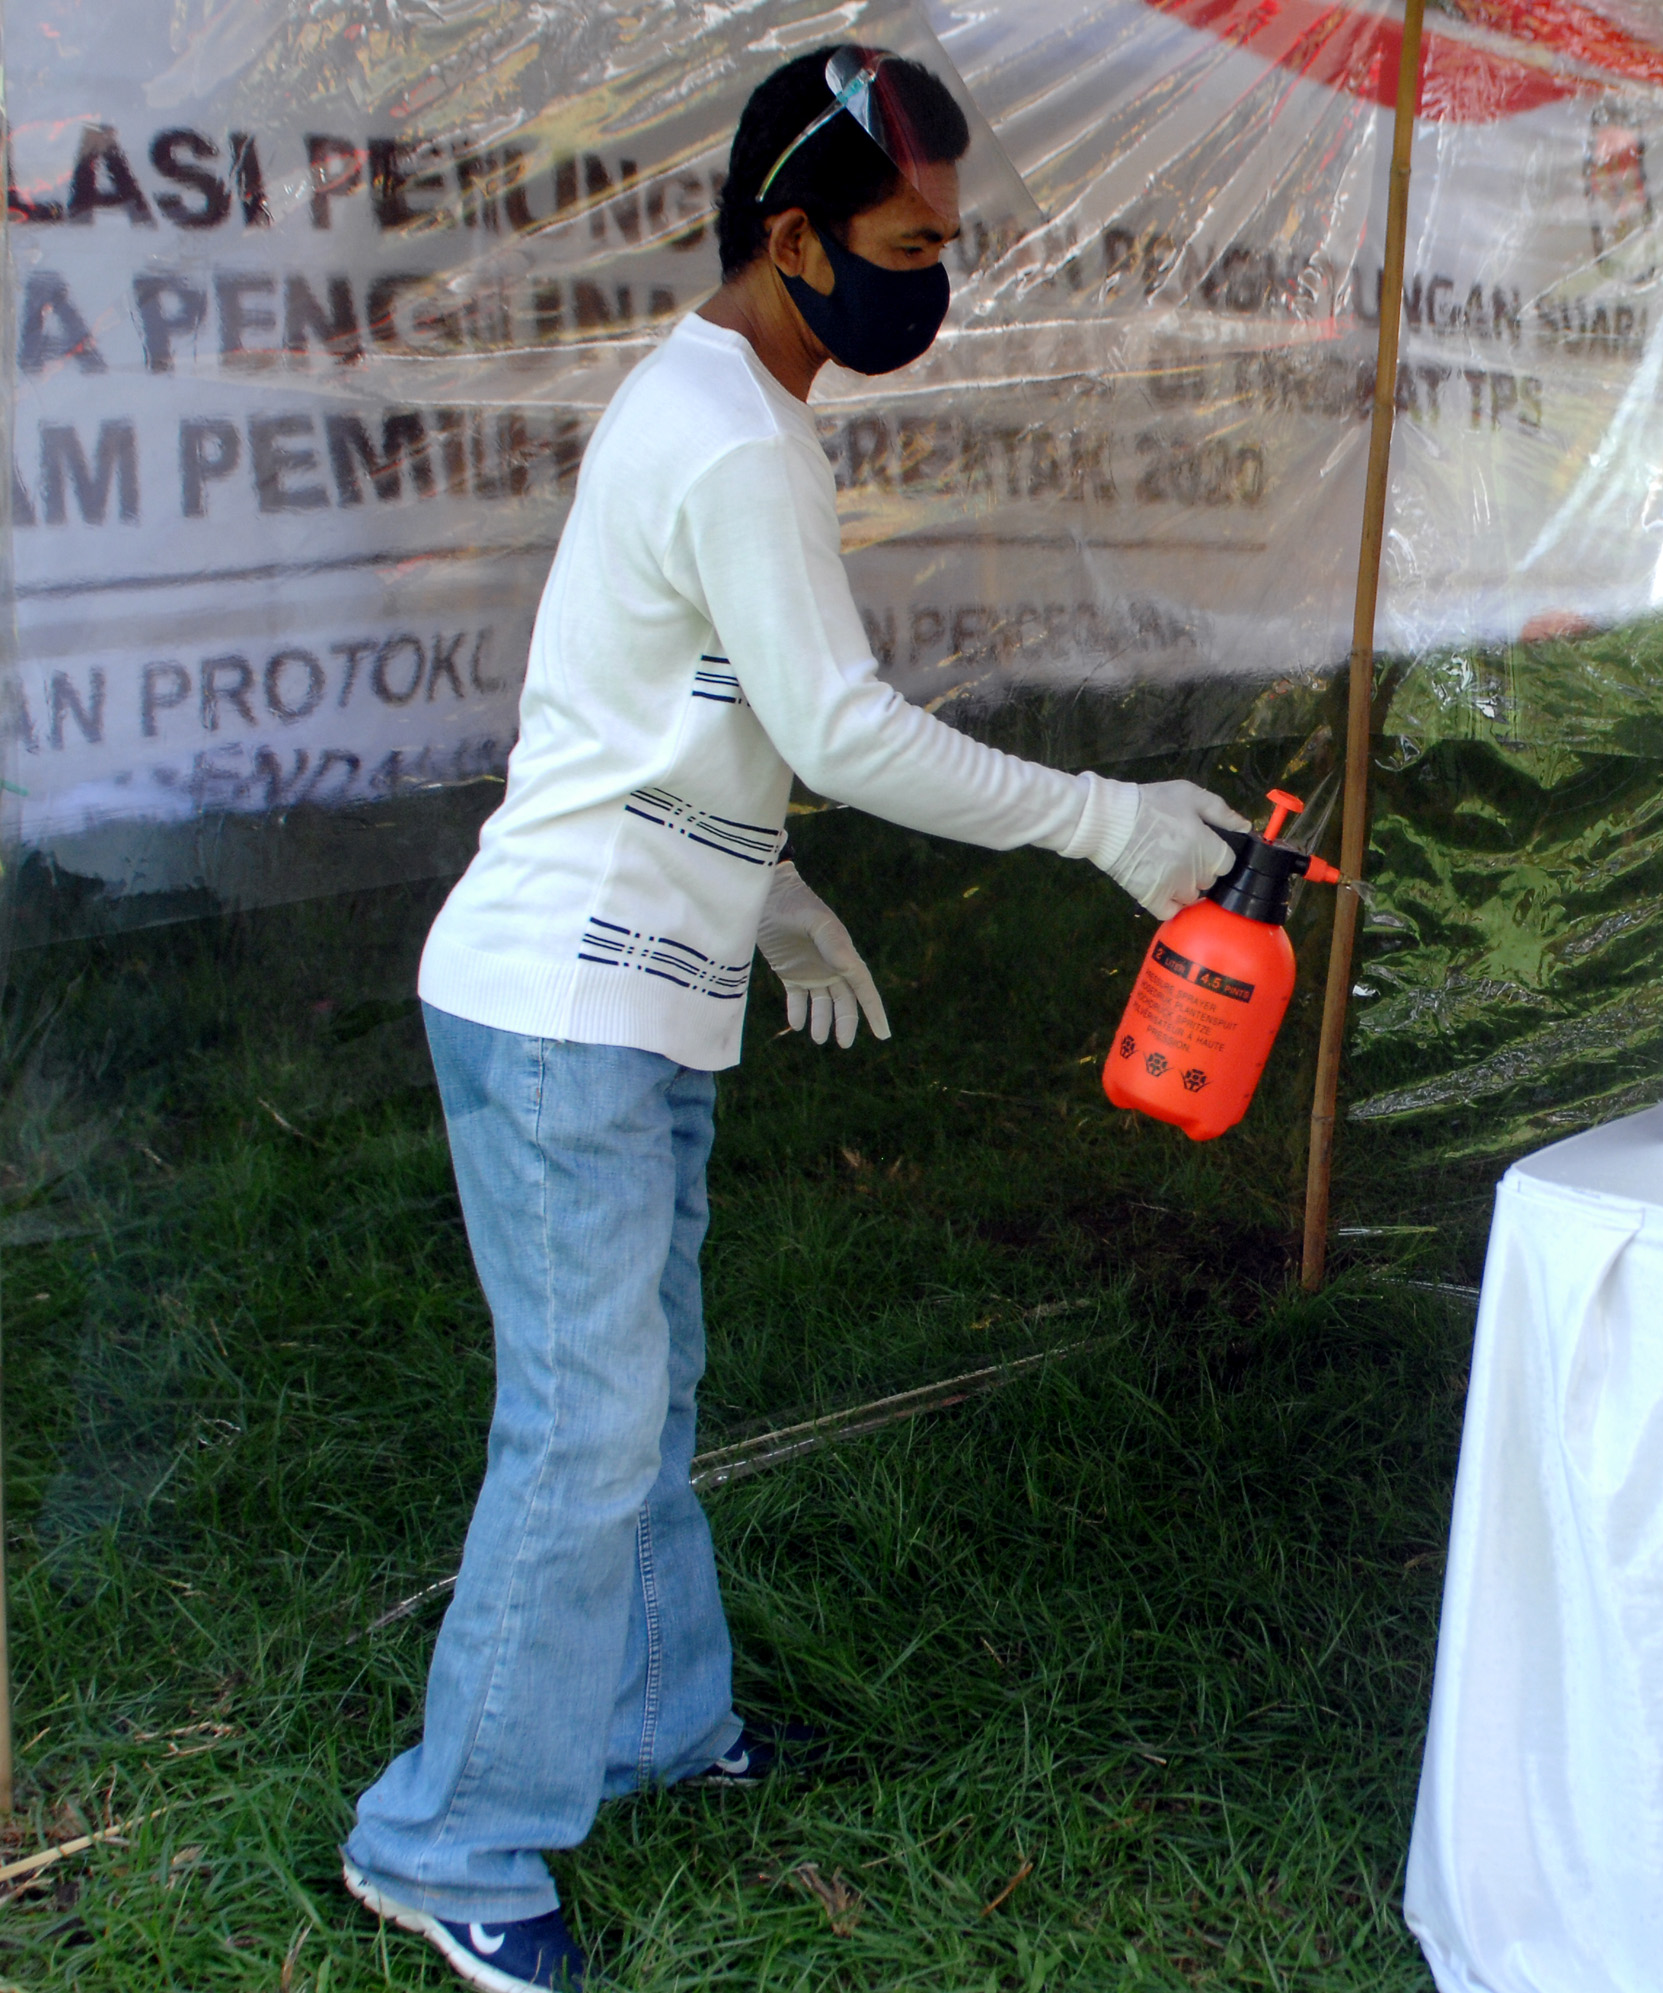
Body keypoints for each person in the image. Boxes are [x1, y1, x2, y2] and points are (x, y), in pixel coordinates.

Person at [337, 47, 1245, 1993]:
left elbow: (650, 703)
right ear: (792, 235)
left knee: (638, 1400)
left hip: (627, 994)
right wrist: (1109, 829)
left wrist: (765, 882)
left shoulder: (721, 403)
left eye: (950, 241)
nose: (938, 279)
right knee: (584, 1426)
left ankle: (660, 1725)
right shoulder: (737, 434)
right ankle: (445, 1836)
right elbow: (834, 724)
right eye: (911, 246)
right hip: (560, 1003)